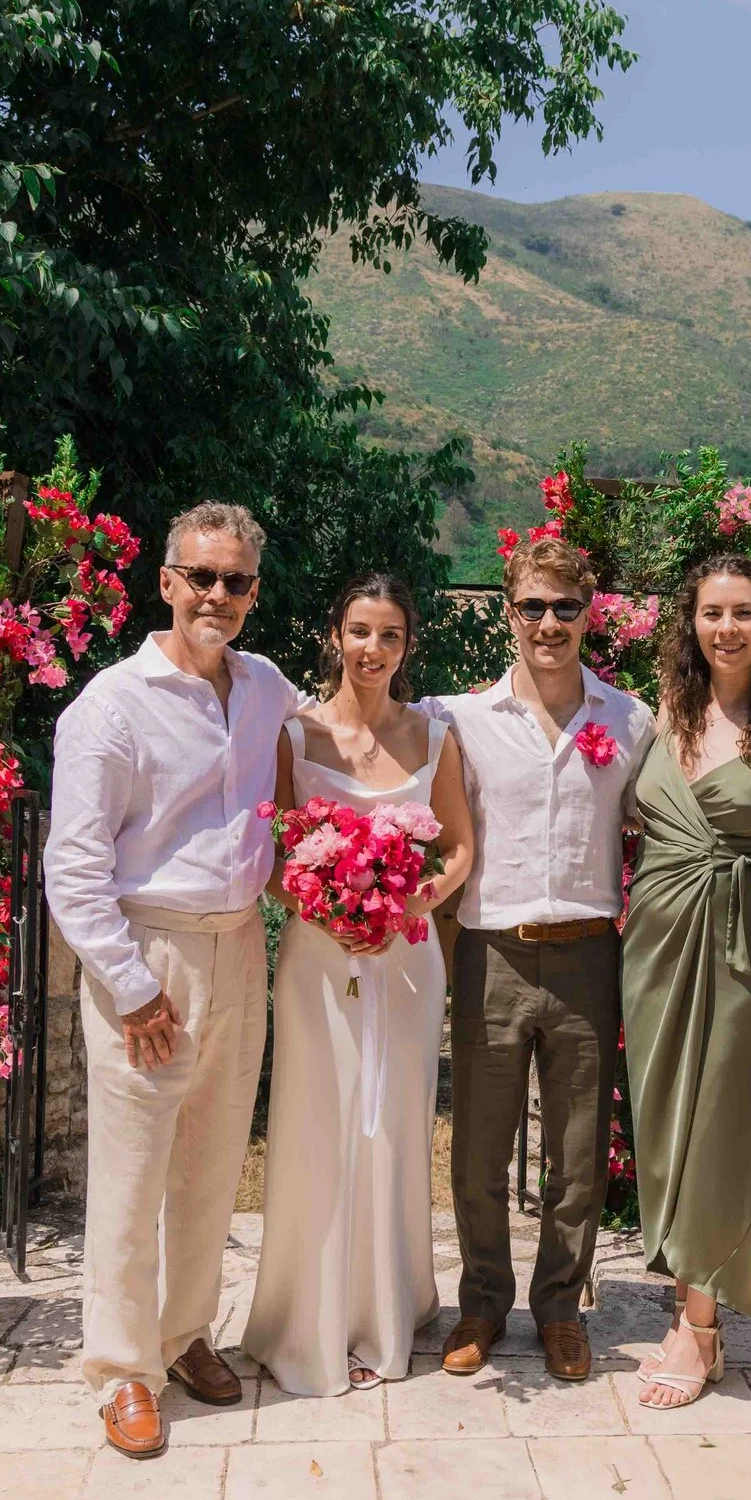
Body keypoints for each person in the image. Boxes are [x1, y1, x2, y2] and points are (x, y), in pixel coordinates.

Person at [46, 501, 300, 1460]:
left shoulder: (266, 686)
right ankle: (121, 1371)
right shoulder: (110, 705)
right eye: (201, 576)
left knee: (212, 1158)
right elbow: (73, 867)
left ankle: (184, 1331)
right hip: (146, 955)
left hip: (241, 946)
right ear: (166, 581)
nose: (218, 595)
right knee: (131, 1170)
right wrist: (129, 985)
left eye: (236, 581)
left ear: (254, 593)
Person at [423, 536, 655, 1383]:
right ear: (508, 611)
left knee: (579, 1151)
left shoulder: (630, 720)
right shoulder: (462, 718)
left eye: (565, 607)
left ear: (590, 614)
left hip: (590, 953)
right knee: (481, 1149)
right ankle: (483, 1300)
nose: (548, 624)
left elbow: (657, 828)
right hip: (493, 953)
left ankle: (560, 1305)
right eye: (532, 606)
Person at [244, 575, 475, 1396]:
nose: (371, 649)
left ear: (407, 647)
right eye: (358, 631)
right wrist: (322, 906)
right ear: (334, 636)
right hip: (318, 959)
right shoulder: (295, 733)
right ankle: (307, 1315)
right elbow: (273, 855)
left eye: (389, 635)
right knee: (317, 1121)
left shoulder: (434, 736)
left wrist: (410, 905)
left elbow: (458, 853)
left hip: (407, 961)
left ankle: (389, 1305)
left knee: (396, 1125)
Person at [620, 553, 751, 1409]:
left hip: (743, 942)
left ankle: (701, 1327)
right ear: (691, 624)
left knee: (721, 1125)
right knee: (664, 1127)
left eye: (743, 612)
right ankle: (684, 1303)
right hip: (656, 944)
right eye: (712, 612)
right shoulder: (662, 714)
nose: (727, 628)